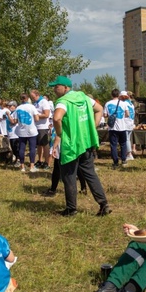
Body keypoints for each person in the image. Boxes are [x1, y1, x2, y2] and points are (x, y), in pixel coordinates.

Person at [50, 75, 111, 217]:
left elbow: (57, 118)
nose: (54, 89)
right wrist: (92, 126)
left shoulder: (62, 102)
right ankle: (103, 204)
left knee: (69, 176)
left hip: (71, 144)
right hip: (86, 142)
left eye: (56, 86)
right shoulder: (83, 97)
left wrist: (59, 133)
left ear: (66, 87)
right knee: (90, 173)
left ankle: (71, 209)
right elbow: (99, 109)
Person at [104, 89, 130, 169]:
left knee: (113, 145)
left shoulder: (107, 103)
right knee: (123, 144)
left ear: (111, 95)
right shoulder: (123, 103)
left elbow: (105, 115)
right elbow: (127, 114)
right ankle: (124, 160)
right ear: (118, 95)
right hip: (122, 127)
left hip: (112, 128)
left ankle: (115, 162)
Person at [15, 93, 40, 173]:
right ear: (28, 98)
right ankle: (32, 166)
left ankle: (22, 167)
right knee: (32, 148)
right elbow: (37, 119)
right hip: (31, 130)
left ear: (20, 99)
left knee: (21, 148)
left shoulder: (18, 108)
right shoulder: (32, 107)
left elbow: (15, 120)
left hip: (21, 131)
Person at [30, 89, 51, 169]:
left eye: (33, 96)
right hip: (36, 126)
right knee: (39, 144)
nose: (32, 98)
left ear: (37, 94)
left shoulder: (44, 102)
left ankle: (47, 162)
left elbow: (46, 114)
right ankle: (40, 160)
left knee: (45, 145)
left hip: (43, 127)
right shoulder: (35, 103)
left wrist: (36, 115)